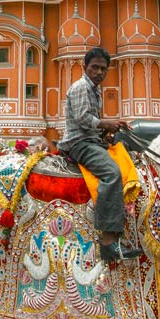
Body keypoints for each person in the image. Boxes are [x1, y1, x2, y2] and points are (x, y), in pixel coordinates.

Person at [60, 47, 132, 263]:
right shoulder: (82, 87)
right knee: (112, 172)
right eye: (95, 67)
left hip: (90, 140)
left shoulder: (95, 90)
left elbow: (90, 122)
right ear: (85, 67)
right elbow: (83, 118)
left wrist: (107, 131)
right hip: (78, 143)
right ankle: (109, 241)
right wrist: (106, 123)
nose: (99, 72)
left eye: (103, 69)